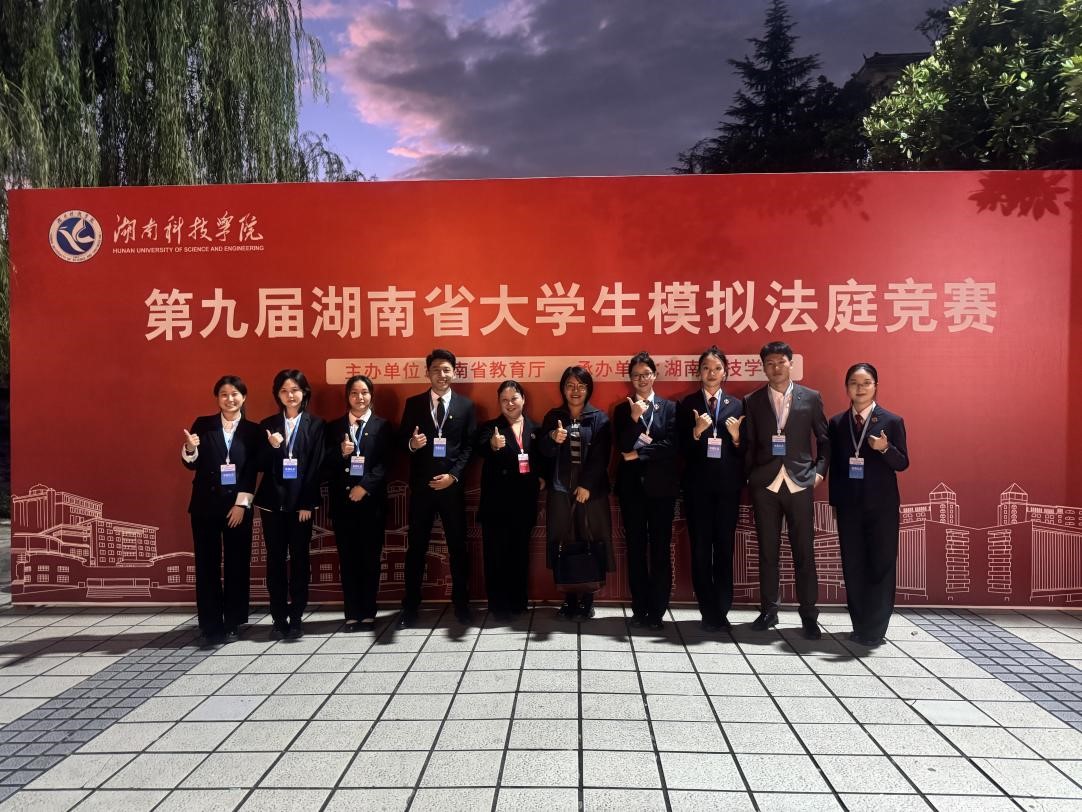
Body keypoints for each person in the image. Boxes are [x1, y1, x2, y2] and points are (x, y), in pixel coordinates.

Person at [743, 341, 829, 640]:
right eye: (770, 363)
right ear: (763, 367)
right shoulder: (752, 400)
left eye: (781, 362)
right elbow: (749, 443)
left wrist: (819, 472)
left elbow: (824, 439)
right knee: (768, 552)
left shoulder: (811, 397)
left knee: (804, 551)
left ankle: (809, 615)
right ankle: (769, 610)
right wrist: (750, 477)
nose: (776, 367)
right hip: (765, 484)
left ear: (791, 363)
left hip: (800, 482)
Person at [828, 363, 909, 647]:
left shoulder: (892, 421)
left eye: (866, 383)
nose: (860, 388)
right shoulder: (837, 423)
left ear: (875, 386)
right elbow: (835, 466)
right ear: (846, 387)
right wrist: (836, 502)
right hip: (849, 507)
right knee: (853, 565)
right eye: (854, 383)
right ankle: (859, 624)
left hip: (882, 506)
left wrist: (885, 448)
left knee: (881, 565)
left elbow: (902, 463)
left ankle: (876, 628)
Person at [398, 349, 477, 627]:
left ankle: (462, 605)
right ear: (427, 373)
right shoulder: (414, 404)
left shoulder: (466, 406)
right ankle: (410, 607)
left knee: (457, 547)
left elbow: (470, 447)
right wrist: (412, 444)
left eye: (446, 369)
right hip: (422, 488)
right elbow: (401, 441)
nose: (441, 375)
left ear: (454, 372)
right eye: (436, 370)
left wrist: (453, 476)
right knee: (416, 548)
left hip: (451, 488)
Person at [181, 375, 261, 646]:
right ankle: (210, 623)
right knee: (207, 565)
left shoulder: (252, 431)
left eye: (235, 394)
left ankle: (233, 621)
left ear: (243, 397)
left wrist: (241, 504)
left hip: (237, 507)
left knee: (237, 564)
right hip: (205, 506)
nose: (230, 399)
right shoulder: (203, 425)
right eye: (224, 394)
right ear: (217, 398)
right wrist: (190, 449)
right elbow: (191, 464)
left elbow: (252, 471)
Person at [538, 366, 614, 620]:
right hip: (560, 490)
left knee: (591, 540)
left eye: (581, 386)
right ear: (562, 388)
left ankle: (588, 600)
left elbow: (601, 456)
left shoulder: (599, 418)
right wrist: (552, 438)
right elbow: (543, 453)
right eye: (570, 385)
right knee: (564, 541)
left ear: (588, 389)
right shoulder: (553, 416)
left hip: (591, 492)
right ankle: (569, 598)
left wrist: (587, 485)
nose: (575, 391)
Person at [255, 369, 325, 639]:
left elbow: (317, 465)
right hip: (272, 504)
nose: (290, 395)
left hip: (301, 506)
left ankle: (296, 617)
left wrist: (308, 502)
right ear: (278, 395)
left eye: (295, 390)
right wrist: (271, 447)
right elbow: (259, 464)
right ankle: (278, 617)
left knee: (299, 559)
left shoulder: (316, 425)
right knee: (274, 560)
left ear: (304, 392)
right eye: (284, 391)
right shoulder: (267, 424)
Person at [679, 347, 745, 632]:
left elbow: (746, 452)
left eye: (717, 368)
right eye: (706, 368)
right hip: (698, 489)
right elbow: (680, 449)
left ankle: (722, 608)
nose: (711, 373)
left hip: (728, 489)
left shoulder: (738, 405)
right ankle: (708, 611)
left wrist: (737, 438)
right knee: (701, 549)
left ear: (725, 372)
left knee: (725, 549)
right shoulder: (688, 404)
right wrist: (696, 431)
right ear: (699, 372)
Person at [613, 352, 678, 630]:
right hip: (631, 490)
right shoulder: (621, 410)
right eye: (636, 375)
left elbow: (672, 445)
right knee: (636, 550)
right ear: (630, 379)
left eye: (646, 374)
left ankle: (657, 611)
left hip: (662, 489)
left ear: (654, 376)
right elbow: (622, 446)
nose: (641, 379)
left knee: (660, 550)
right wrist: (634, 419)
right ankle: (640, 609)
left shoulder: (670, 408)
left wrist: (640, 455)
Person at [324, 375, 393, 632]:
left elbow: (386, 463)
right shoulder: (333, 427)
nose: (360, 397)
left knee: (370, 559)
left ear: (371, 395)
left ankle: (368, 613)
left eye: (364, 392)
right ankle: (352, 614)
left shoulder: (383, 426)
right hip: (343, 505)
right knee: (348, 559)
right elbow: (323, 464)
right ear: (347, 396)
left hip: (371, 504)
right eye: (354, 393)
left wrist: (364, 487)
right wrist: (339, 454)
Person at [475, 380, 544, 621]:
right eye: (504, 400)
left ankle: (518, 601)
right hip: (497, 504)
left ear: (523, 399)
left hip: (523, 503)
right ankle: (498, 605)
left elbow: (542, 457)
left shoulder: (535, 428)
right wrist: (493, 445)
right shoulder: (490, 427)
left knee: (519, 554)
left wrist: (541, 476)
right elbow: (479, 448)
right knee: (495, 556)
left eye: (514, 398)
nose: (510, 404)